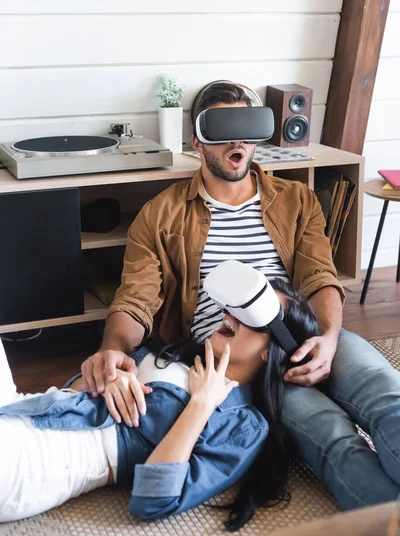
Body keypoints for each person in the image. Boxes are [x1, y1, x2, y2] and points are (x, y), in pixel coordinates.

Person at [79, 81, 400, 510]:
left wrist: (327, 338)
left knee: (387, 394)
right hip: (243, 362)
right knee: (332, 437)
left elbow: (321, 276)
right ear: (197, 141)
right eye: (222, 128)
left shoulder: (298, 200)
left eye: (245, 127)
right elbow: (135, 299)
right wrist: (112, 350)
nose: (237, 141)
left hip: (304, 332)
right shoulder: (160, 215)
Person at [0, 278, 317, 529]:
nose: (232, 314)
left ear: (270, 352)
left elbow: (153, 499)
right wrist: (108, 377)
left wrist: (201, 404)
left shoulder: (244, 425)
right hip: (18, 406)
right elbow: (78, 391)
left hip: (34, 463)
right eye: (239, 305)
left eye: (253, 315)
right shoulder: (180, 355)